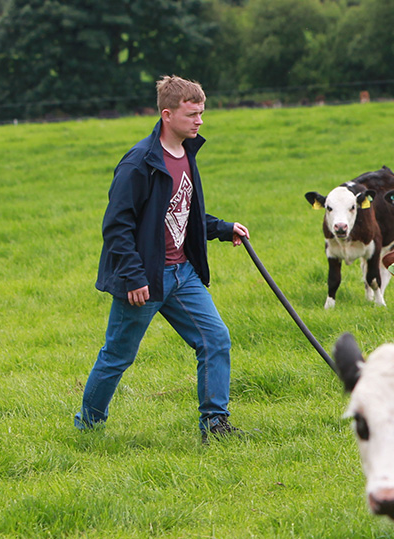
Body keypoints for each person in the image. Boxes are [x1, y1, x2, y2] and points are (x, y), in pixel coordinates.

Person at [77, 76, 250, 443]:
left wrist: (223, 228)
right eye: (192, 114)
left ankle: (214, 425)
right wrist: (134, 276)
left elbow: (182, 215)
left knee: (215, 338)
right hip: (145, 279)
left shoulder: (186, 154)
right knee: (117, 356)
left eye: (202, 113)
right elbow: (117, 226)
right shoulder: (139, 164)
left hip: (183, 274)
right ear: (168, 114)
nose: (199, 121)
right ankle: (87, 426)